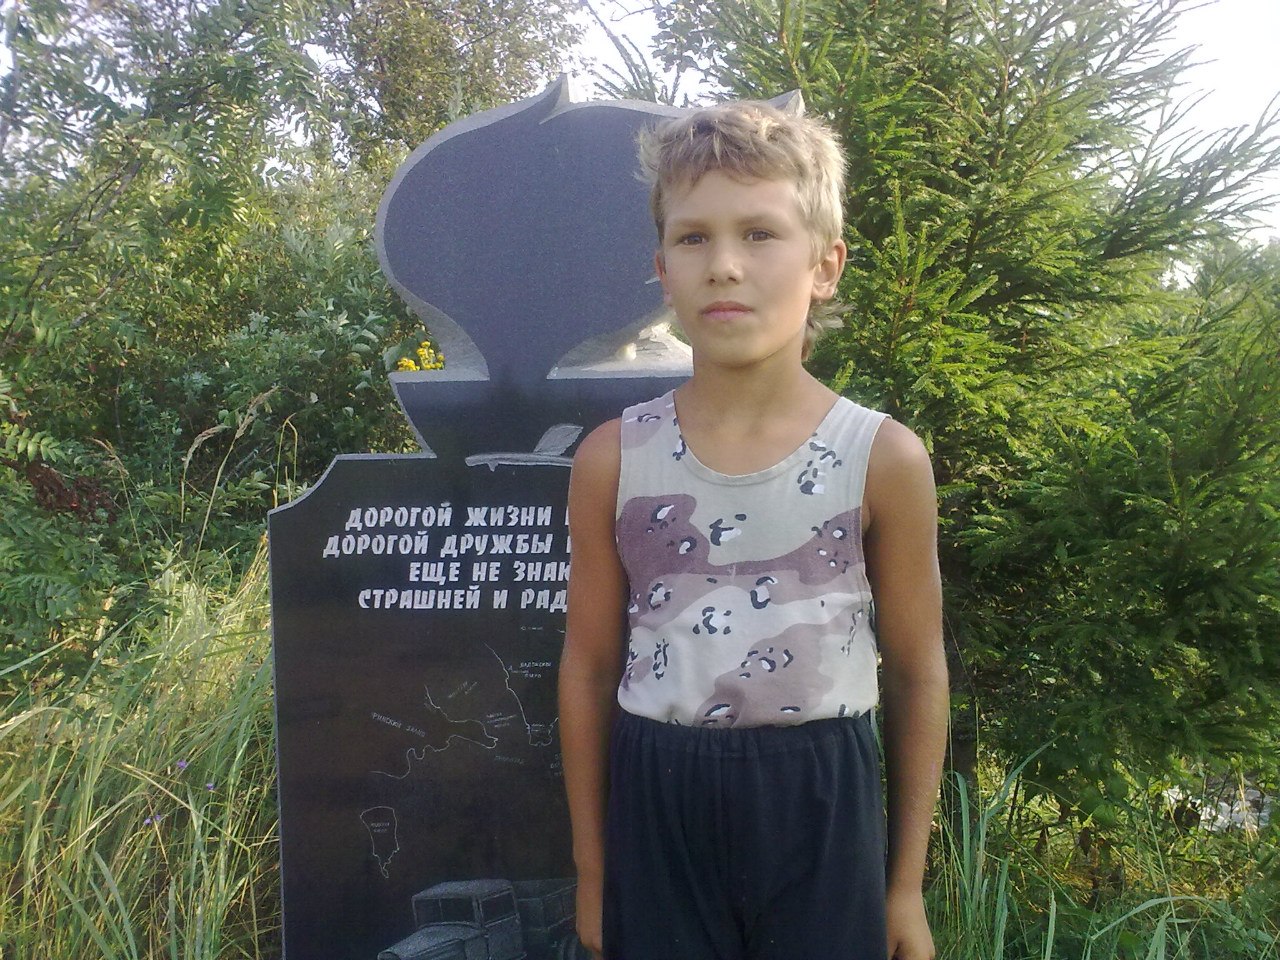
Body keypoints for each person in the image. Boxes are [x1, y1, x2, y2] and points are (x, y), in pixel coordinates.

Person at [558, 100, 948, 960]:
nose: (725, 265)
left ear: (825, 264)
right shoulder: (614, 460)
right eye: (694, 238)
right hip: (656, 802)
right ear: (663, 268)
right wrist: (593, 874)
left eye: (761, 234)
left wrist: (904, 887)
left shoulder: (882, 458)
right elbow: (586, 668)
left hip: (822, 804)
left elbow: (919, 671)